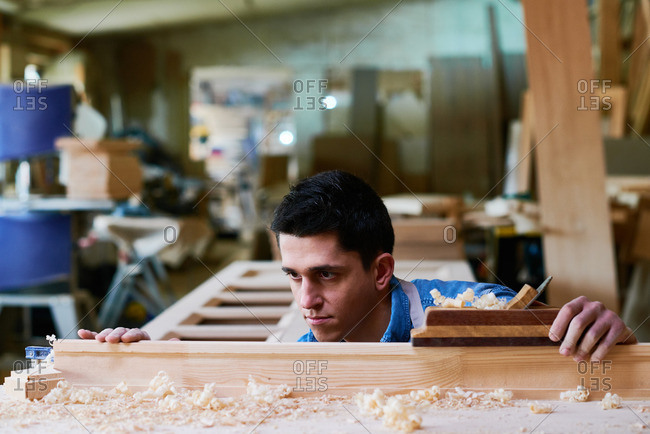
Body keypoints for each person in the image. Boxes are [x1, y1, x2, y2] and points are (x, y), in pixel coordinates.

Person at [79, 170, 637, 362]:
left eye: (326, 274)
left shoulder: (471, 313)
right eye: (293, 276)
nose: (306, 302)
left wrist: (612, 335)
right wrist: (155, 360)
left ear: (380, 270)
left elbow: (599, 364)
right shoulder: (308, 356)